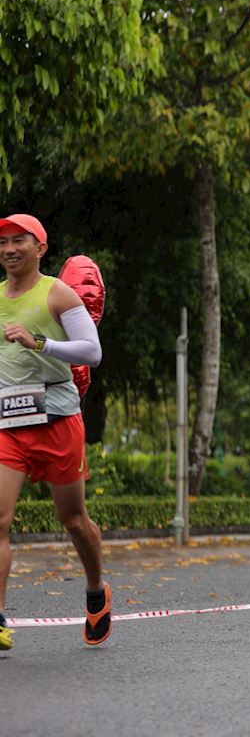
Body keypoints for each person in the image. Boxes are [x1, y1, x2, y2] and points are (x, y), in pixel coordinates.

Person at [0, 214, 108, 650]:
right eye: (4, 242)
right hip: (9, 424)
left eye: (19, 241)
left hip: (58, 420)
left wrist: (38, 342)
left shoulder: (57, 293)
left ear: (39, 247)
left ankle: (96, 590)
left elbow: (91, 351)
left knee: (74, 520)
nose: (9, 249)